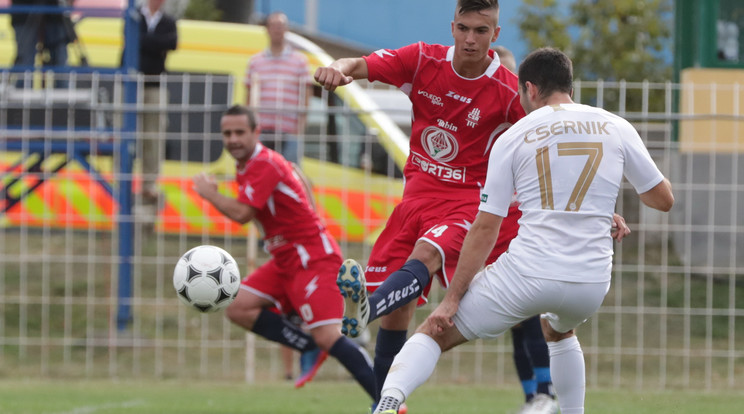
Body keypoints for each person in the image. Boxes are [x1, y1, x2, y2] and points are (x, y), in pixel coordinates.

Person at [315, 1, 628, 410]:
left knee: (426, 256)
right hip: (416, 197)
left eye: (481, 31)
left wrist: (597, 207)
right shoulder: (422, 60)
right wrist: (336, 68)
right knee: (397, 317)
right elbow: (358, 65)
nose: (470, 39)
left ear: (495, 35)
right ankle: (387, 403)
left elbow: (553, 145)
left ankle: (364, 311)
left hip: (467, 204)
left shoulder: (507, 89)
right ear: (452, 27)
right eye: (463, 28)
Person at [371, 47, 675, 414]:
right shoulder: (614, 125)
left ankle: (388, 402)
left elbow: (485, 227)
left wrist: (452, 299)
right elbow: (663, 200)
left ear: (530, 89)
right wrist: (602, 205)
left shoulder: (513, 137)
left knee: (434, 333)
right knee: (559, 331)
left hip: (527, 275)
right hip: (590, 282)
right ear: (570, 85)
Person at [192, 105, 376, 401]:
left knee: (329, 336)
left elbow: (242, 213)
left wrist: (209, 193)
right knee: (238, 307)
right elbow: (299, 180)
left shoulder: (264, 163)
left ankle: (389, 399)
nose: (233, 139)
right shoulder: (255, 164)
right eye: (227, 133)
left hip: (311, 257)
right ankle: (307, 343)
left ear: (256, 132)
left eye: (240, 132)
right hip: (285, 260)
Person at [494, 44, 557, 414]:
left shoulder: (539, 125)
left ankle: (546, 392)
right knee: (516, 320)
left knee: (534, 310)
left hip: (530, 226)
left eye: (512, 76)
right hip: (496, 225)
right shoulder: (492, 125)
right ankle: (533, 395)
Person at [125, 0, 178, 215]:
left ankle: (148, 184)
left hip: (155, 84)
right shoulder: (133, 15)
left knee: (154, 135)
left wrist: (144, 42)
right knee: (126, 135)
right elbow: (131, 41)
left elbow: (172, 43)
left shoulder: (168, 20)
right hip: (130, 83)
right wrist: (157, 44)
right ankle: (125, 181)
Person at [245, 11, 312, 166]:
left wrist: (300, 127)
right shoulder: (255, 62)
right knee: (261, 171)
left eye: (280, 26)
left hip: (289, 130)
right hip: (261, 129)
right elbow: (248, 96)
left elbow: (306, 95)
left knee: (290, 172)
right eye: (273, 26)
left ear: (286, 30)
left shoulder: (300, 61)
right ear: (267, 29)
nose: (277, 30)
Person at [11, 0, 74, 77]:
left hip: (56, 16)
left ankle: (62, 87)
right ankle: (22, 86)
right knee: (25, 60)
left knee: (60, 60)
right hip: (24, 14)